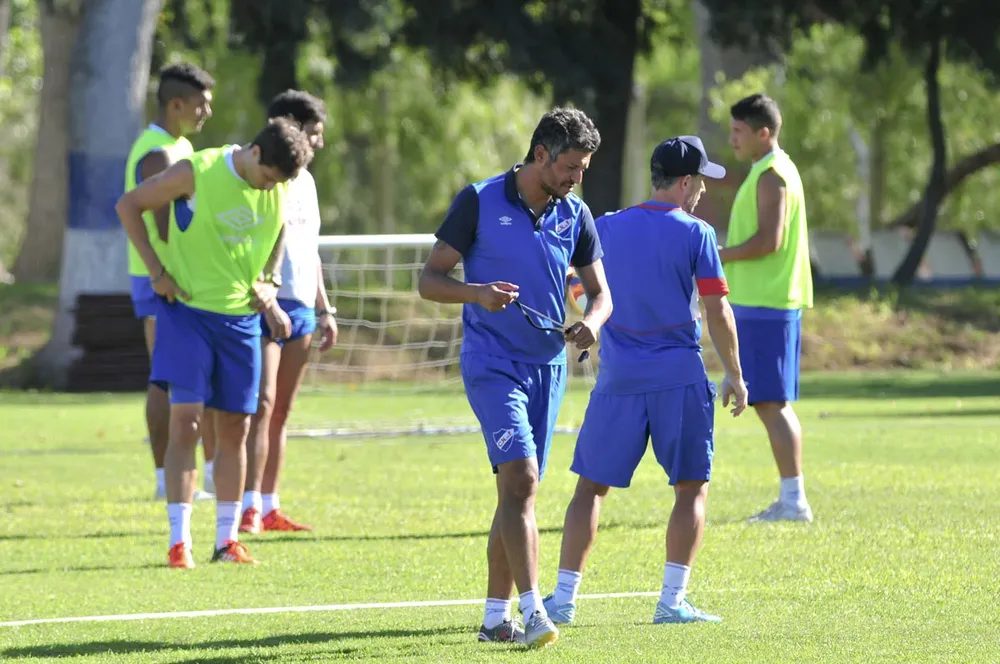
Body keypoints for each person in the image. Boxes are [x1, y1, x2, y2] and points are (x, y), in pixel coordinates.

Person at [418, 108, 612, 648]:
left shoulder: (575, 214)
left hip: (548, 368)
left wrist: (591, 324)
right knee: (523, 480)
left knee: (515, 491)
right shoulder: (479, 200)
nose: (577, 178)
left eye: (584, 170)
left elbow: (601, 293)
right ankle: (533, 613)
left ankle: (492, 619)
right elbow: (430, 279)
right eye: (571, 166)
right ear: (542, 155)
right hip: (491, 362)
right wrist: (476, 294)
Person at [541, 136, 748, 626]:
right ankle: (672, 602)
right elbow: (717, 309)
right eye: (698, 182)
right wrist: (736, 373)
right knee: (691, 488)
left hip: (618, 380)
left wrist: (588, 323)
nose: (700, 191)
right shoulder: (697, 234)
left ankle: (564, 600)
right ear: (683, 182)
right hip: (678, 378)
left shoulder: (606, 226)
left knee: (589, 489)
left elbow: (575, 283)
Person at [116, 117, 314, 568]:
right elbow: (129, 205)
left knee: (236, 431)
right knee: (186, 424)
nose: (269, 190)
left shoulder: (278, 187)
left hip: (242, 323)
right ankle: (178, 541)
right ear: (256, 153)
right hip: (187, 315)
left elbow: (282, 227)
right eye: (267, 178)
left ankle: (226, 541)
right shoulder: (197, 171)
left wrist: (271, 278)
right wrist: (157, 273)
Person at [240, 91, 338, 535]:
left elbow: (309, 249)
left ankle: (269, 502)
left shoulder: (310, 184)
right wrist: (270, 299)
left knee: (281, 411)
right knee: (259, 406)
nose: (317, 144)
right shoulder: (264, 179)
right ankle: (245, 506)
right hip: (266, 306)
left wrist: (325, 308)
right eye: (313, 135)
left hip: (301, 306)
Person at [719, 94, 814, 523]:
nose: (731, 138)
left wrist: (717, 254)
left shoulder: (773, 175)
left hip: (766, 303)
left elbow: (768, 242)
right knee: (769, 401)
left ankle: (794, 500)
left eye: (738, 131)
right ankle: (792, 497)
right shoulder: (769, 170)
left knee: (771, 402)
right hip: (764, 303)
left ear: (763, 133)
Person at [124, 62, 217, 501]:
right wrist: (164, 274)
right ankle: (166, 480)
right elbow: (164, 230)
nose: (207, 113)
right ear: (176, 104)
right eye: (201, 104)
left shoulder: (177, 146)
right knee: (165, 378)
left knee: (181, 377)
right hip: (159, 280)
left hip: (174, 279)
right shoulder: (159, 154)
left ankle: (185, 478)